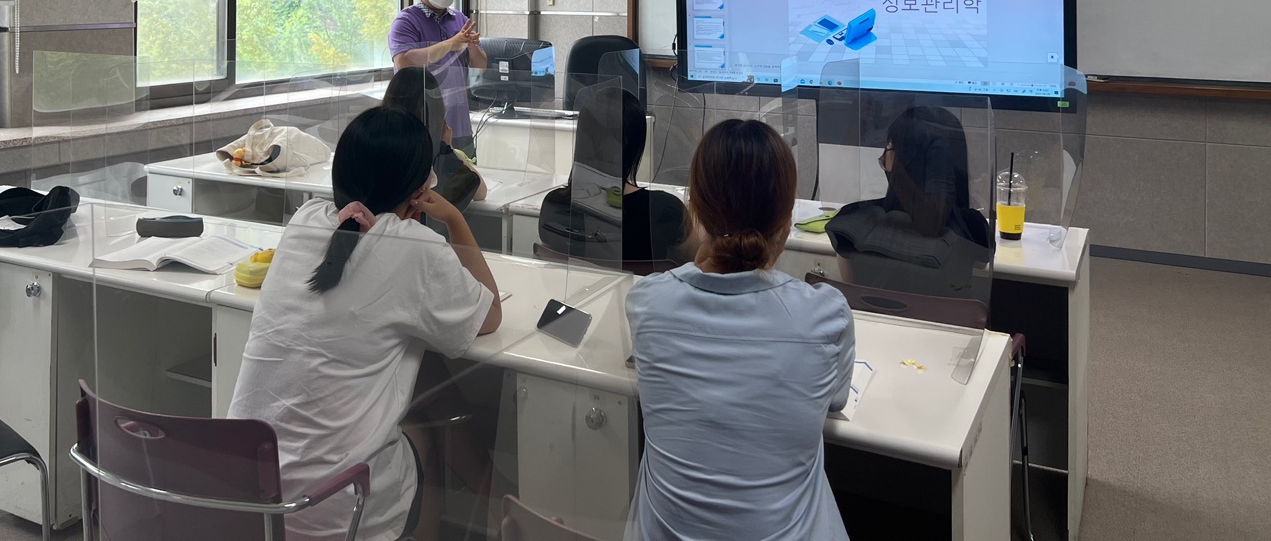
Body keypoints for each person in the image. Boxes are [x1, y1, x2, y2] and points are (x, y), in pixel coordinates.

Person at [228, 107, 502, 541]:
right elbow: (489, 317)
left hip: (249, 496)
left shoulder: (303, 222)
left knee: (420, 372)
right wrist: (454, 218)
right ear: (419, 190)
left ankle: (491, 495)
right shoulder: (412, 246)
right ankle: (491, 499)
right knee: (423, 426)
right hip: (338, 507)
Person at [626, 119, 854, 541]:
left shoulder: (647, 302)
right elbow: (835, 399)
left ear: (695, 206)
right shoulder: (825, 314)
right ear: (786, 221)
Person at [826, 105, 992, 297]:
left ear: (893, 160)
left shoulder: (852, 226)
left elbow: (855, 297)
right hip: (941, 326)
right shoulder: (974, 230)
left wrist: (897, 173)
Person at [538, 86, 687, 269]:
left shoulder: (553, 204)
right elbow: (692, 264)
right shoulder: (662, 210)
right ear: (636, 143)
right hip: (632, 297)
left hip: (574, 296)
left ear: (582, 140)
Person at [388, 0, 486, 158]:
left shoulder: (460, 19)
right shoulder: (406, 20)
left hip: (458, 121)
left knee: (463, 183)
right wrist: (452, 43)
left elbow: (480, 66)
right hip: (420, 120)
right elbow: (404, 62)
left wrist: (474, 48)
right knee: (423, 183)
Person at [383, 65, 488, 210]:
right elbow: (480, 191)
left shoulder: (378, 138)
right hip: (418, 228)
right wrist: (447, 147)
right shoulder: (429, 149)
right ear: (435, 108)